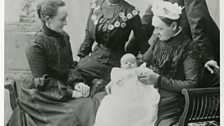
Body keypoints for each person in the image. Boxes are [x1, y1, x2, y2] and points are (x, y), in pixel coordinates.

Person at [7, 0, 99, 126]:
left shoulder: (64, 37)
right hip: (42, 93)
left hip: (63, 86)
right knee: (76, 114)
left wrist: (77, 83)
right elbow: (42, 82)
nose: (66, 23)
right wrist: (72, 93)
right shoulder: (35, 45)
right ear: (48, 19)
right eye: (62, 19)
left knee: (90, 104)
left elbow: (70, 66)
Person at [137, 1, 202, 125]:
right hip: (151, 90)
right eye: (155, 28)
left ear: (173, 26)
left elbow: (192, 84)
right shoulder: (159, 41)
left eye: (159, 28)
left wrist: (158, 80)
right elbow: (144, 60)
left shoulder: (189, 48)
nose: (155, 32)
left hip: (171, 99)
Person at [72, 0, 149, 87]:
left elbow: (141, 39)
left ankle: (98, 83)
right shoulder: (96, 6)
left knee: (121, 82)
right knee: (76, 71)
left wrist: (147, 62)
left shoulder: (130, 11)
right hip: (96, 57)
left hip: (116, 61)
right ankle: (96, 82)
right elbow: (88, 34)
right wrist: (82, 56)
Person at [136, 0, 219, 75]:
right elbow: (146, 22)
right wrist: (130, 51)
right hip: (171, 42)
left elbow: (198, 24)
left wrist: (205, 58)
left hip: (197, 42)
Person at [94, 53, 160, 126]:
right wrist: (113, 82)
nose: (129, 64)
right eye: (126, 63)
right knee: (110, 105)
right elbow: (115, 81)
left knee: (143, 108)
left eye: (132, 62)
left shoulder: (139, 70)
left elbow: (150, 75)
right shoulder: (119, 72)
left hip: (138, 94)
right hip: (123, 95)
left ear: (137, 64)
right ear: (121, 66)